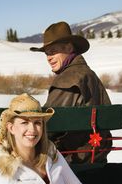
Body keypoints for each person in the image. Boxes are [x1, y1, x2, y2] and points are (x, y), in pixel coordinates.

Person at [30, 21, 112, 164]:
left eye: (53, 51)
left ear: (68, 48)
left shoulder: (68, 80)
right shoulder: (88, 74)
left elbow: (49, 124)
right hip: (95, 153)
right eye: (47, 53)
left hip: (71, 158)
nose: (49, 58)